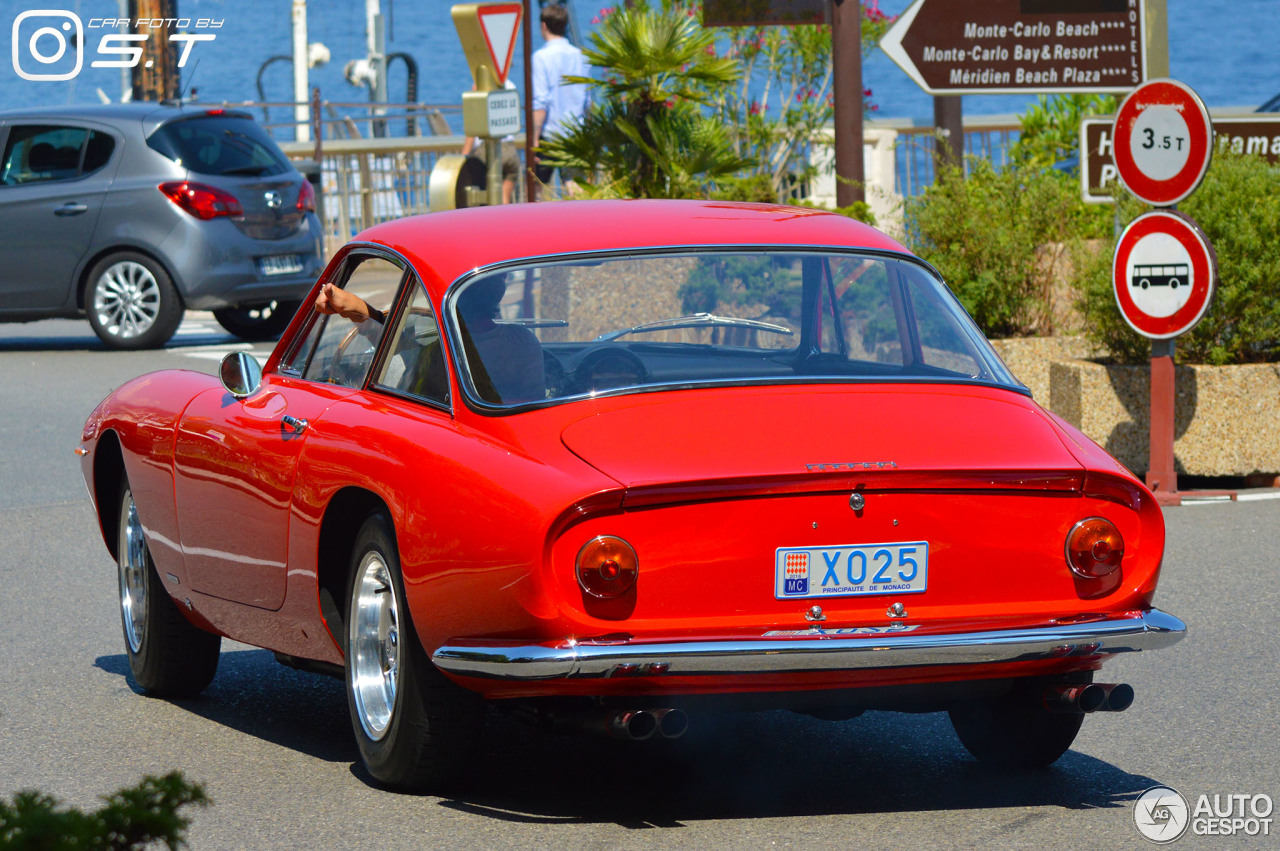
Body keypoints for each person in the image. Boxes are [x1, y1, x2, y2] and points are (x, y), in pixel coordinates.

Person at [531, 3, 589, 195]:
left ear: (544, 26)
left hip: (550, 134)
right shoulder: (580, 56)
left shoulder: (541, 57)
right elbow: (586, 100)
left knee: (535, 188)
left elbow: (541, 102)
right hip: (575, 132)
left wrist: (534, 139)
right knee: (575, 187)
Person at [462, 80, 520, 204]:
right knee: (505, 200)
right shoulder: (510, 85)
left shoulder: (480, 85)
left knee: (482, 199)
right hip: (510, 149)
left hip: (487, 150)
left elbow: (473, 122)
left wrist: (464, 156)